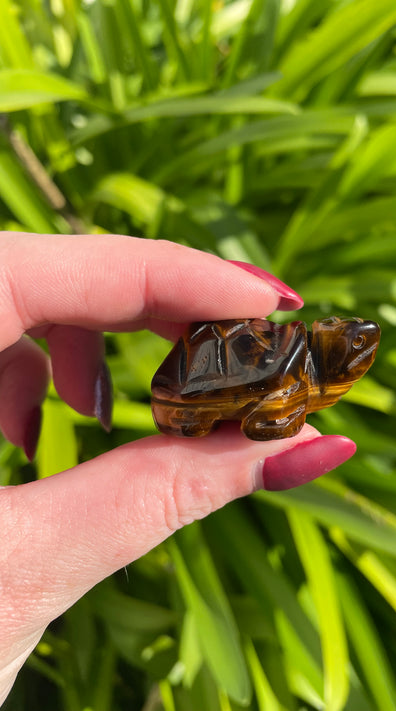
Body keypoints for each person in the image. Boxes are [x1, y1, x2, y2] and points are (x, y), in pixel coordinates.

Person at [0, 231, 356, 704]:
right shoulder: (292, 378)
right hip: (189, 395)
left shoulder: (297, 370)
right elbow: (272, 409)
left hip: (206, 384)